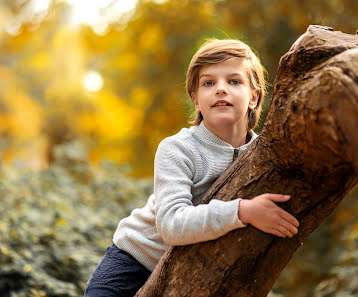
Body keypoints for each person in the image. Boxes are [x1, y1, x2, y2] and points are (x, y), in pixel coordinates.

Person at [84, 39, 300, 297]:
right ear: (196, 100)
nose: (221, 89)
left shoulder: (263, 155)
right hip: (137, 259)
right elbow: (171, 224)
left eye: (234, 81)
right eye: (209, 83)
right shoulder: (178, 148)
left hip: (200, 264)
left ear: (254, 97)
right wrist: (243, 211)